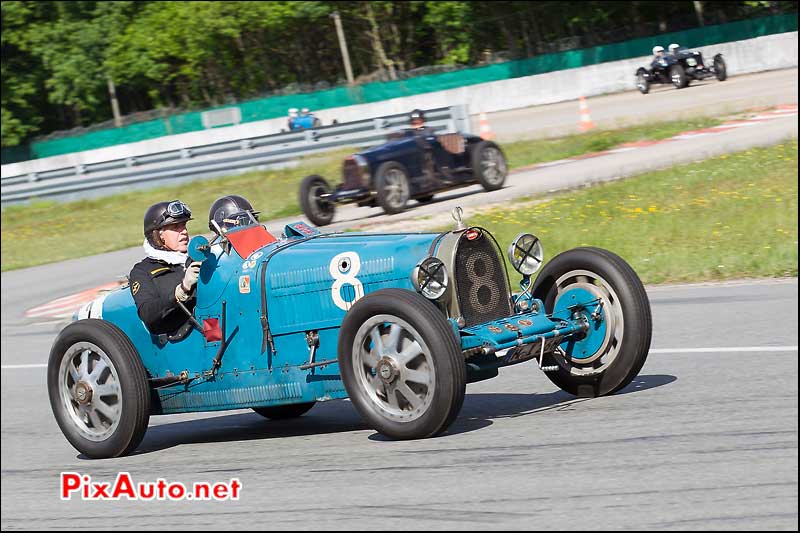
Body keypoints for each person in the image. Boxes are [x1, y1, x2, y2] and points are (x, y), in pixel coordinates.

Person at [129, 200, 201, 335]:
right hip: (180, 338)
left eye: (184, 225)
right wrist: (181, 290)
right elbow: (147, 314)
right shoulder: (142, 271)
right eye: (175, 227)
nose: (184, 231)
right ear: (158, 235)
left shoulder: (199, 257)